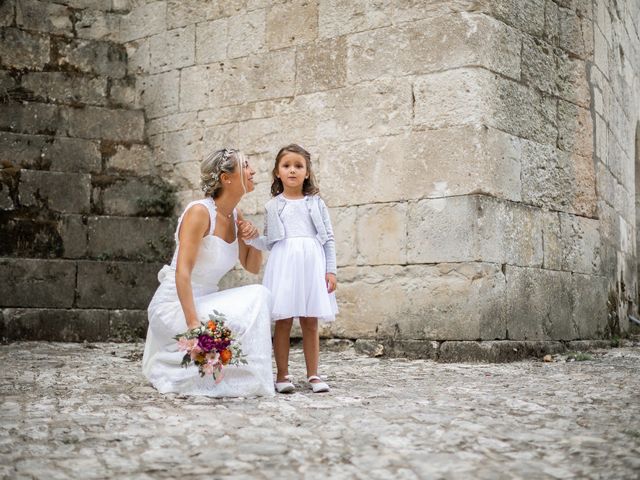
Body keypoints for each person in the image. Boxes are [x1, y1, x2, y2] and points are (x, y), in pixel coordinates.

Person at [142, 148, 274, 397]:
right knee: (256, 297)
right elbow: (182, 273)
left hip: (206, 301)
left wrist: (253, 239)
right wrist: (194, 326)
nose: (253, 171)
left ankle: (244, 374)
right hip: (175, 306)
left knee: (261, 294)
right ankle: (195, 362)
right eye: (246, 165)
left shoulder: (236, 216)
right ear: (227, 178)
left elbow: (253, 266)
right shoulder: (199, 212)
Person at [246, 144, 338, 393]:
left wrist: (331, 270)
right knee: (283, 321)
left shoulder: (316, 203)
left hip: (311, 265)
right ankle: (282, 375)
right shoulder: (273, 206)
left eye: (299, 166)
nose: (293, 171)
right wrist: (250, 237)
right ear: (277, 172)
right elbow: (270, 240)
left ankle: (314, 375)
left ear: (307, 172)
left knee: (310, 321)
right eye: (287, 166)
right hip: (284, 265)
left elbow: (328, 238)